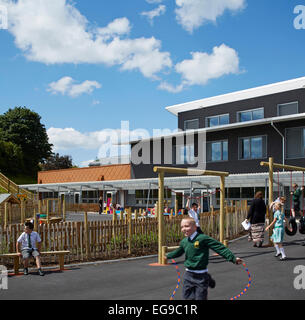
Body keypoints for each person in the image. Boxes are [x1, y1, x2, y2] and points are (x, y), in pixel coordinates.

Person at [166, 218, 242, 300]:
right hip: (188, 275)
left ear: (195, 227)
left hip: (201, 275)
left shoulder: (202, 238)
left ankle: (207, 278)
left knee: (200, 298)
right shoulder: (184, 242)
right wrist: (168, 256)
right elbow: (178, 252)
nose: (184, 229)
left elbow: (219, 248)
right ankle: (208, 278)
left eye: (186, 226)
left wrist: (233, 258)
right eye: (182, 227)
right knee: (187, 297)